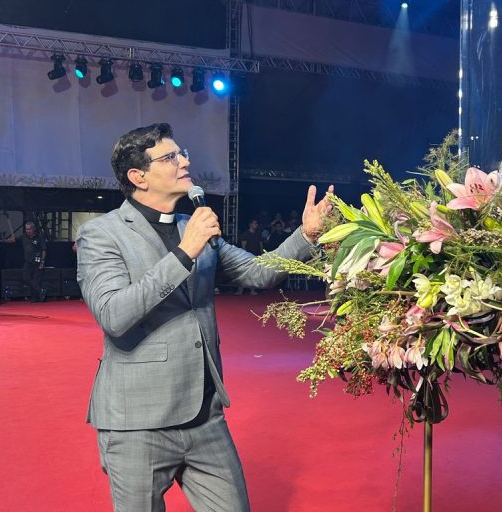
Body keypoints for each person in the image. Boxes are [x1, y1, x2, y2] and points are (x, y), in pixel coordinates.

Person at [76, 123, 332, 512]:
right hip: (136, 423)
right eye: (170, 157)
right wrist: (184, 253)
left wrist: (307, 235)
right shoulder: (102, 234)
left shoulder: (194, 227)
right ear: (137, 177)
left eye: (182, 154)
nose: (185, 161)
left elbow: (257, 272)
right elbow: (114, 314)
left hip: (204, 414)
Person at [20, 221, 47, 302]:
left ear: (34, 229)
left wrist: (42, 262)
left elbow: (44, 250)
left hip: (37, 261)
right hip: (27, 262)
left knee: (36, 280)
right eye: (26, 229)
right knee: (25, 278)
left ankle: (35, 298)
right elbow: (14, 239)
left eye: (29, 229)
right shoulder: (24, 237)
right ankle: (40, 291)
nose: (28, 231)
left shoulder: (39, 237)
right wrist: (2, 240)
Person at [237, 219, 263, 295]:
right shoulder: (245, 234)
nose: (256, 225)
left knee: (254, 274)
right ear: (250, 224)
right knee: (245, 273)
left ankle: (252, 290)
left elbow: (260, 245)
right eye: (255, 223)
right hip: (248, 256)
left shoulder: (258, 234)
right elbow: (243, 246)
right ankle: (240, 289)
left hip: (256, 255)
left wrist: (261, 255)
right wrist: (246, 256)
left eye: (257, 223)